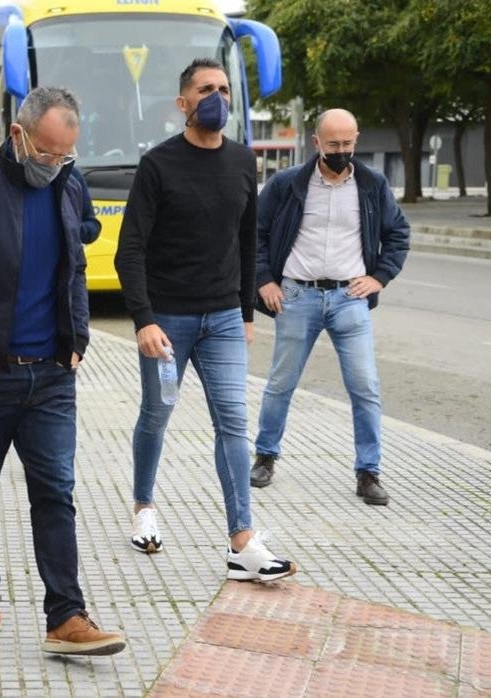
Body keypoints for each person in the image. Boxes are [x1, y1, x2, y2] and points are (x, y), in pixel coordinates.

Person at [0, 86, 125, 657]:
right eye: (45, 152)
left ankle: (65, 615)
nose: (54, 164)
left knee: (56, 493)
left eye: (65, 154)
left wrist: (78, 338)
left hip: (52, 376)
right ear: (18, 134)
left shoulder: (69, 184)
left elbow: (75, 265)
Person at [113, 58, 296, 583]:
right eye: (204, 89)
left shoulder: (242, 161)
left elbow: (245, 242)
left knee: (234, 422)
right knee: (157, 414)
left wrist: (244, 314)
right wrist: (144, 320)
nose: (215, 96)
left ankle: (242, 540)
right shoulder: (158, 165)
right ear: (182, 103)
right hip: (167, 322)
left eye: (222, 88)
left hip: (221, 318)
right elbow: (132, 250)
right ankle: (144, 505)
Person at [252, 108, 410, 506]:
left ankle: (369, 472)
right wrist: (264, 280)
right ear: (316, 143)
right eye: (334, 144)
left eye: (348, 144)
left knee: (365, 387)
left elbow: (398, 233)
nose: (342, 151)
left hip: (349, 298)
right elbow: (254, 232)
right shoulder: (287, 184)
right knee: (280, 384)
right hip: (297, 296)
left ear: (356, 141)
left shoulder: (372, 185)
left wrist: (379, 278)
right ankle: (265, 457)